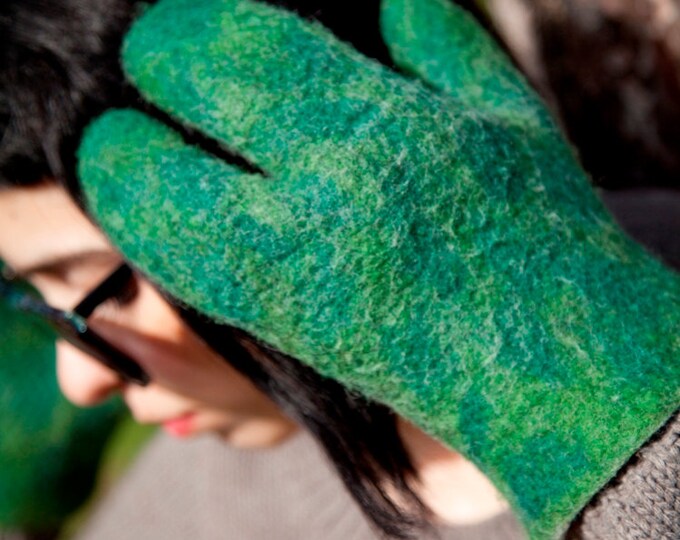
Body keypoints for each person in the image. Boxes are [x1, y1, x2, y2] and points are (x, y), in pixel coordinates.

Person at [0, 1, 677, 539]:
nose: (79, 381)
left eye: (112, 286)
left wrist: (623, 445)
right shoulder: (185, 506)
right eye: (38, 298)